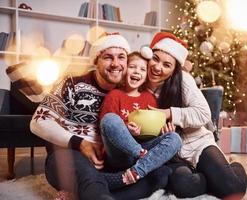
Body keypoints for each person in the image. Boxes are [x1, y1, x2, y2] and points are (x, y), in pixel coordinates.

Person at [30, 32, 171, 200]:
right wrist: (81, 143)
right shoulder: (73, 84)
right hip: (69, 157)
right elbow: (38, 121)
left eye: (121, 57)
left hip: (110, 163)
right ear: (96, 60)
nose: (115, 64)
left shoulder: (128, 92)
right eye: (108, 57)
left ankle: (86, 193)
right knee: (90, 178)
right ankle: (97, 191)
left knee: (161, 174)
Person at [144, 32, 247, 199]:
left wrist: (169, 113)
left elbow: (203, 113)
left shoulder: (183, 80)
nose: (157, 67)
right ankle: (213, 176)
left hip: (198, 143)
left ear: (174, 70)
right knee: (184, 187)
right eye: (155, 59)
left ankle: (232, 166)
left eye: (166, 65)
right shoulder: (138, 80)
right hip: (172, 155)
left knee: (233, 190)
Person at [99, 51, 182, 186]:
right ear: (125, 70)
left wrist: (165, 131)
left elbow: (153, 131)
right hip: (120, 153)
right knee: (110, 119)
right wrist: (126, 129)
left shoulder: (149, 98)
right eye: (132, 67)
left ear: (146, 76)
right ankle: (143, 155)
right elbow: (106, 127)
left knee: (175, 138)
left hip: (141, 152)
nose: (137, 71)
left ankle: (133, 174)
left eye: (142, 69)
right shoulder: (114, 95)